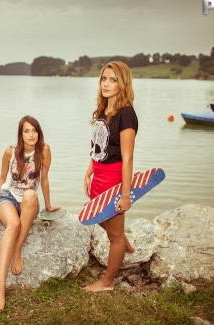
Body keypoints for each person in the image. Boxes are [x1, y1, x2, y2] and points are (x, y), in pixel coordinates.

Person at [0, 115, 60, 312]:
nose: (31, 134)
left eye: (34, 130)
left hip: (28, 202)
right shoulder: (10, 152)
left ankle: (17, 250)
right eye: (27, 131)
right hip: (7, 199)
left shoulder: (44, 150)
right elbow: (2, 178)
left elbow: (43, 179)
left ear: (39, 133)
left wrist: (49, 204)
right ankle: (0, 288)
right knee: (13, 225)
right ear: (21, 134)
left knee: (29, 194)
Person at [83, 61, 138, 292]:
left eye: (113, 79)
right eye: (104, 79)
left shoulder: (127, 115)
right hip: (99, 174)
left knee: (114, 234)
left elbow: (127, 158)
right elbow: (99, 146)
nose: (106, 84)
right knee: (100, 217)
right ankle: (123, 242)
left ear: (122, 84)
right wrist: (90, 170)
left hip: (114, 178)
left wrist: (126, 195)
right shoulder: (102, 110)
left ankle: (107, 282)